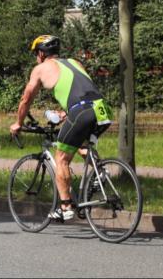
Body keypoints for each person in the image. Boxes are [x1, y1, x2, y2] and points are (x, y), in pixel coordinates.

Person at [9, 35, 113, 223]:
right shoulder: (74, 62)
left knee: (61, 158)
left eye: (35, 54)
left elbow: (26, 99)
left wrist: (18, 123)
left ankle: (65, 207)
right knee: (81, 144)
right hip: (102, 110)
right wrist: (66, 114)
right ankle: (100, 171)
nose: (36, 58)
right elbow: (81, 89)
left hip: (82, 111)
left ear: (41, 53)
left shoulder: (40, 69)